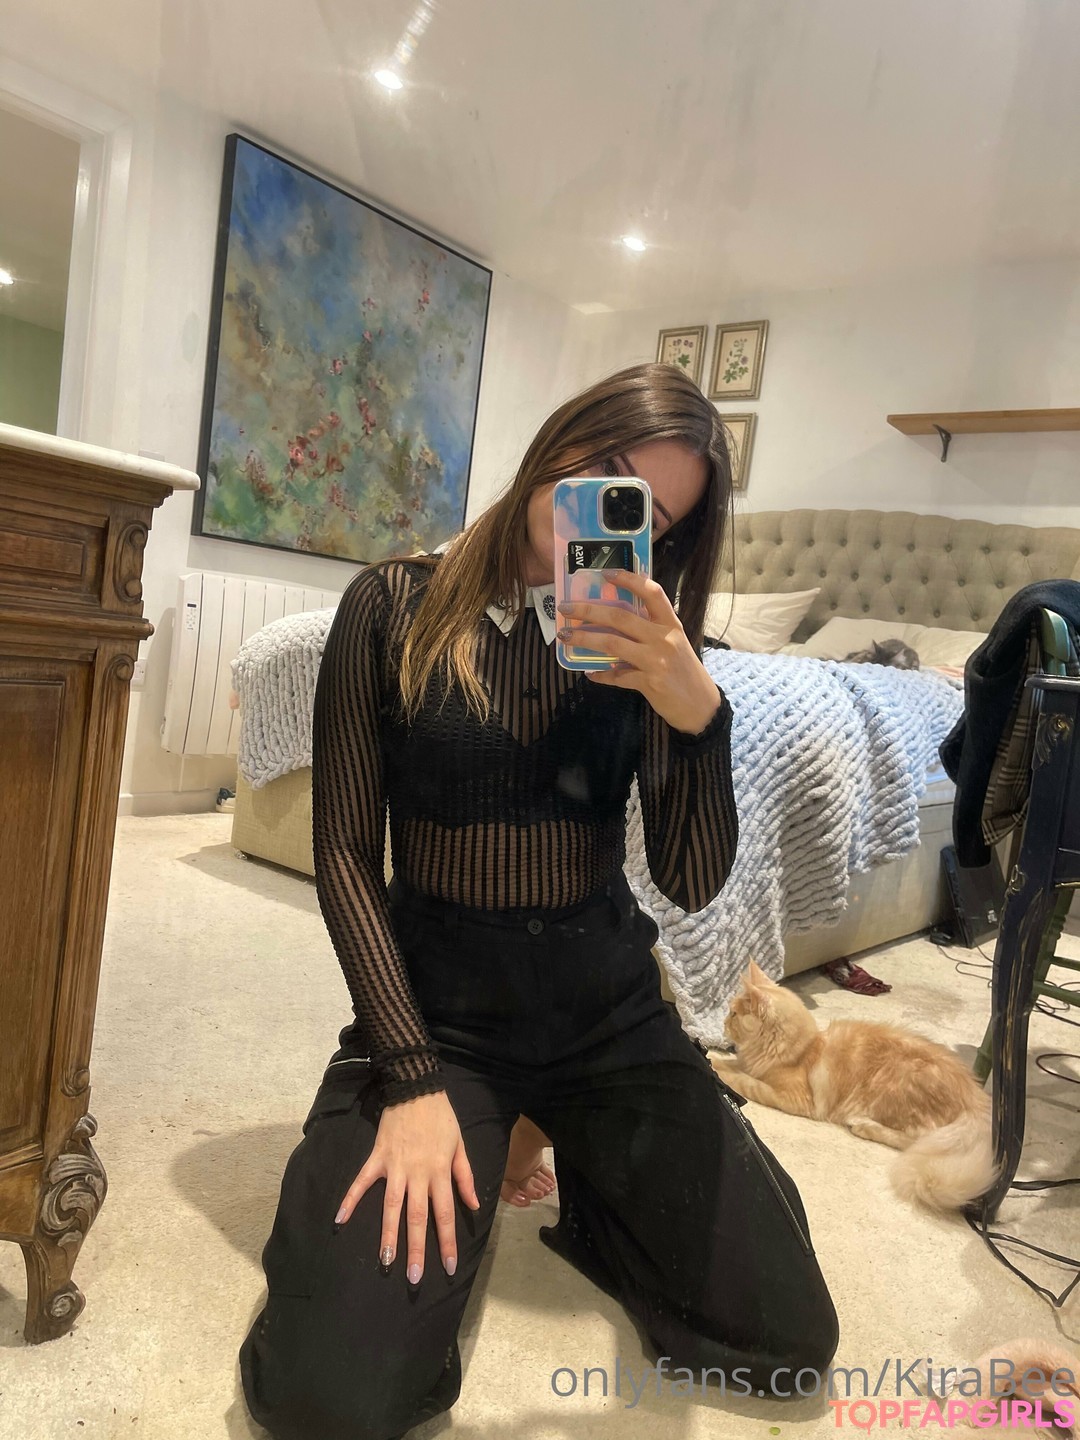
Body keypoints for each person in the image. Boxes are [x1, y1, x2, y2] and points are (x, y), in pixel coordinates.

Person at [239, 362, 840, 1440]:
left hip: (606, 1012)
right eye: (604, 470)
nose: (603, 513)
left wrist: (696, 712)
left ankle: (587, 1168)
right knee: (328, 1398)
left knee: (786, 1340)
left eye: (647, 516)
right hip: (441, 1021)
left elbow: (692, 881)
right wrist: (411, 1079)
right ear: (560, 437)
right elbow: (345, 855)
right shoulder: (390, 603)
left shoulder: (650, 648)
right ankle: (497, 1131)